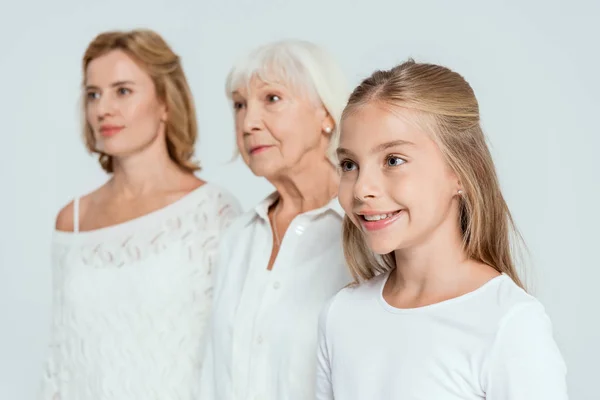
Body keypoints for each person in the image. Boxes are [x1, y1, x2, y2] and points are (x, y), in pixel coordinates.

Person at [315, 59, 568, 399]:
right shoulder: (340, 315)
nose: (361, 189)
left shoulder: (508, 324)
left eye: (393, 160)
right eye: (350, 165)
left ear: (460, 172)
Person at [39, 29, 241, 400]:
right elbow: (60, 358)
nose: (103, 109)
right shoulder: (73, 220)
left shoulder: (215, 212)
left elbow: (231, 355)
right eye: (93, 94)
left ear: (165, 101)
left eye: (123, 91)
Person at [199, 40, 352, 399]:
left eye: (272, 98)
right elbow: (212, 377)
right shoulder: (238, 236)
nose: (249, 122)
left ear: (326, 115)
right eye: (239, 105)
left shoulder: (367, 230)